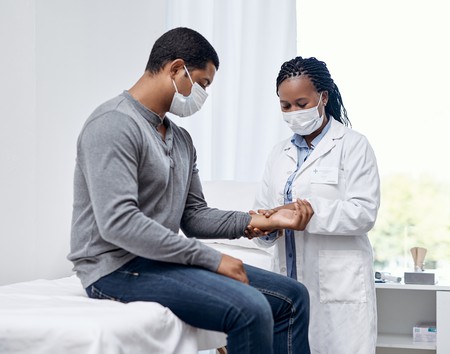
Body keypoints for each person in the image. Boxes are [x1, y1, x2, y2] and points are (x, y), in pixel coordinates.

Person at [67, 28, 314, 354]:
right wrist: (212, 259)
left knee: (293, 297)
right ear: (176, 69)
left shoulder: (180, 140)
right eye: (202, 83)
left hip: (158, 260)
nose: (203, 95)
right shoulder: (113, 124)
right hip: (114, 269)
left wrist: (262, 221)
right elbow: (119, 224)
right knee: (250, 309)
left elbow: (194, 216)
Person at [252, 56, 380, 353]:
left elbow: (364, 213)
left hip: (337, 286)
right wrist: (267, 226)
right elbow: (265, 209)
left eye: (301, 103)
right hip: (288, 288)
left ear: (322, 97)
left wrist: (306, 214)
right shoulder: (278, 153)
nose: (293, 112)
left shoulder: (352, 145)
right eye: (286, 106)